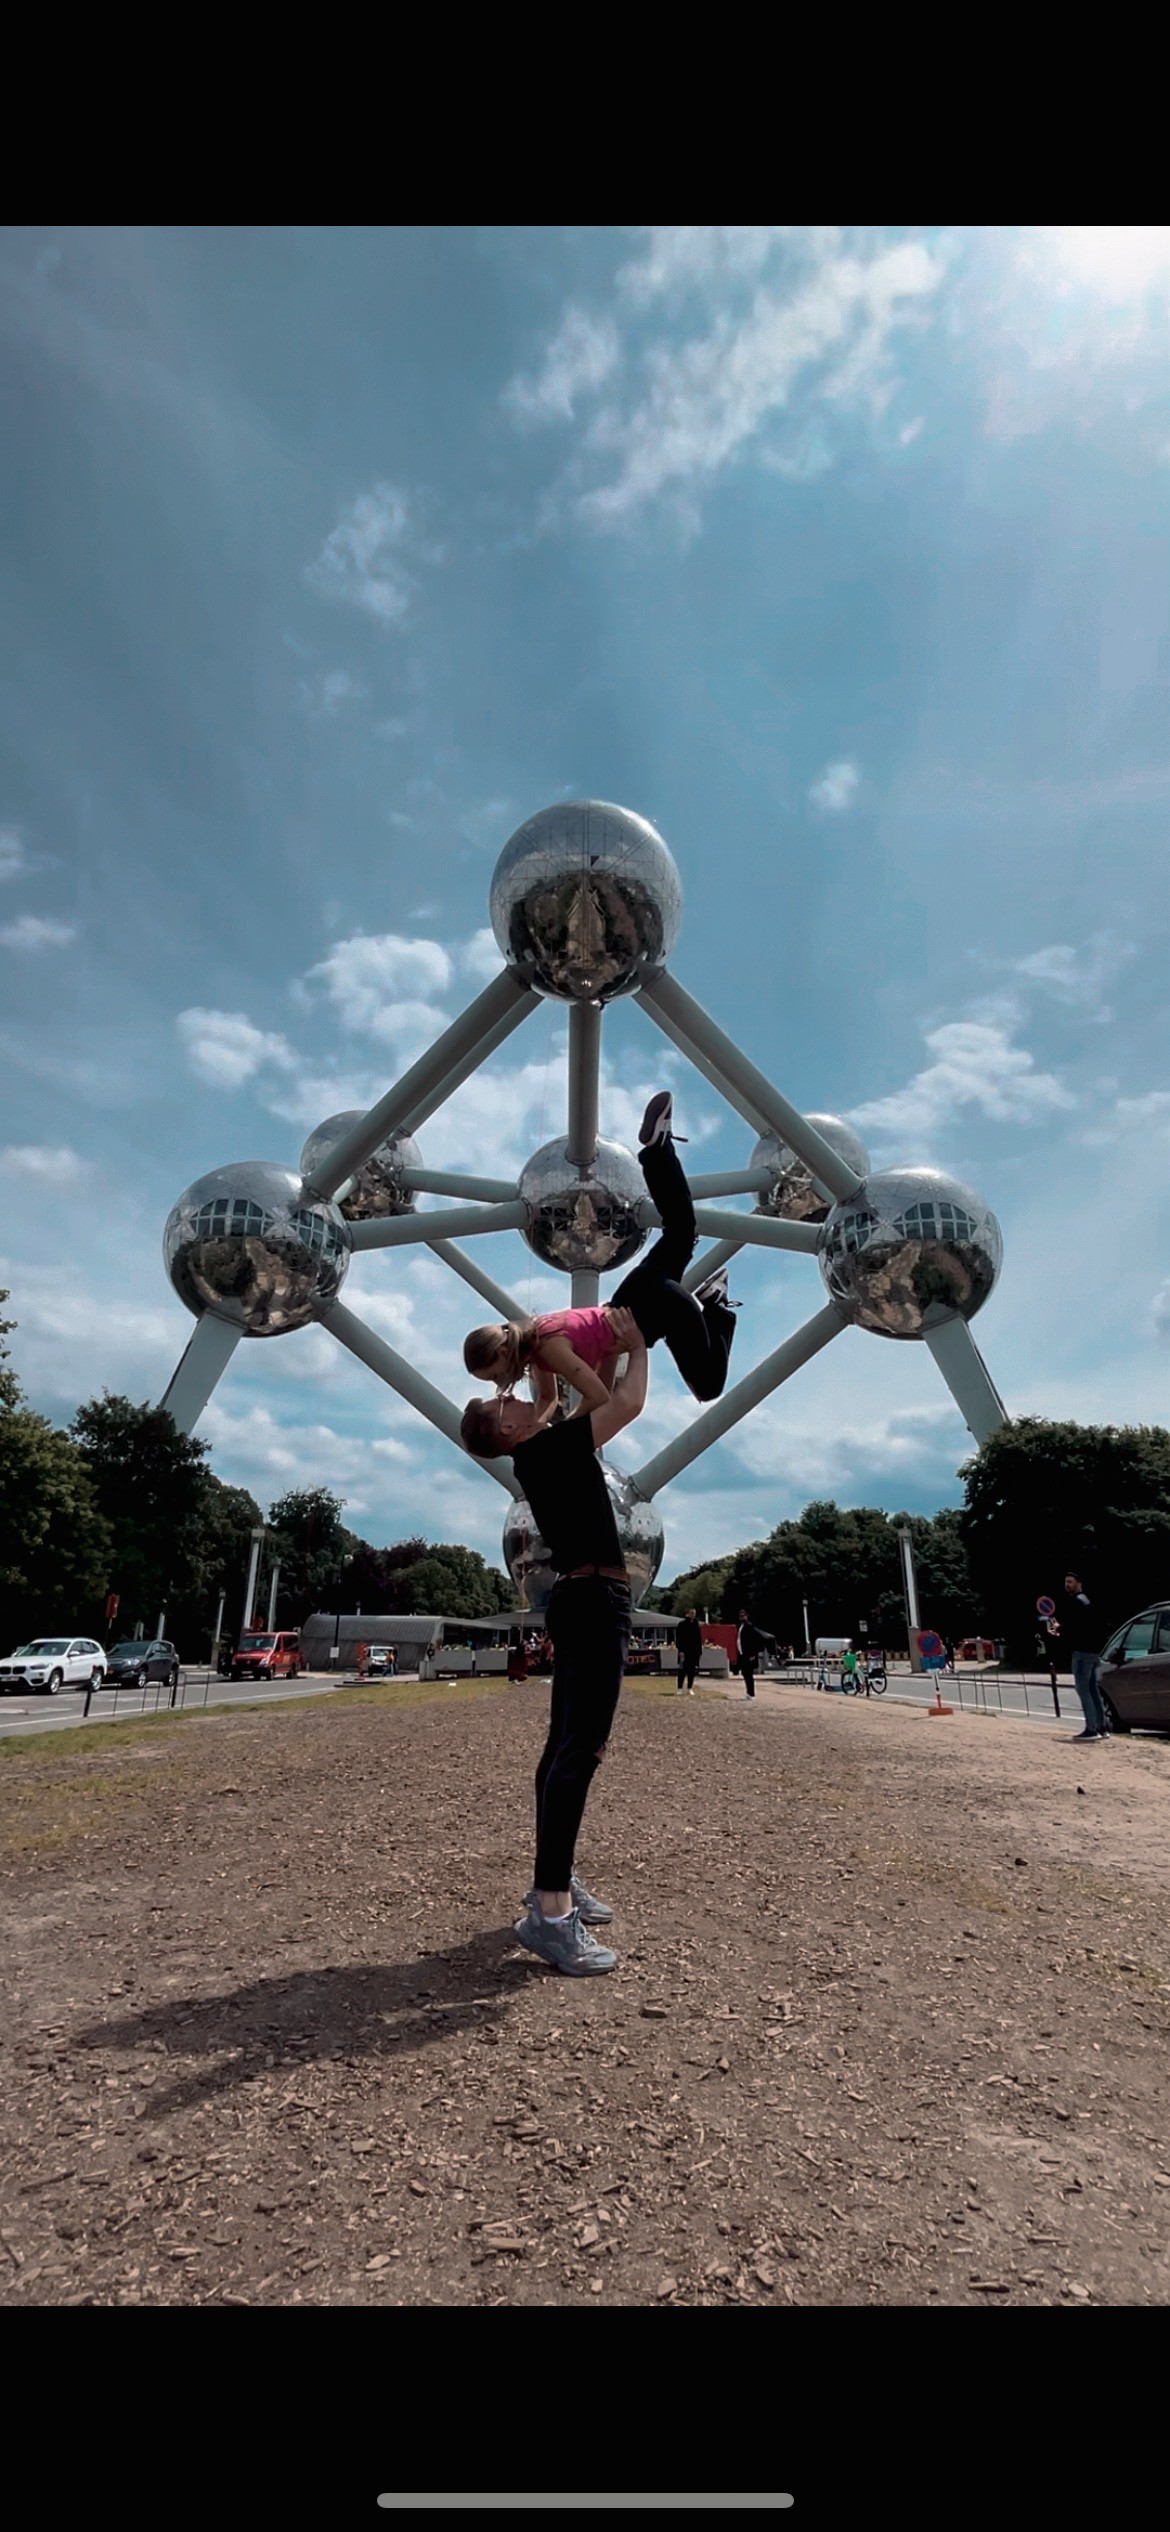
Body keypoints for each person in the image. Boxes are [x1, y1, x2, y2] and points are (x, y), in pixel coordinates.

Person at [460, 1288, 650, 1978]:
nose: (509, 1396)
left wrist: (550, 1364)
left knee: (559, 1751)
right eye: (498, 1405)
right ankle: (550, 1916)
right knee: (581, 1752)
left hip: (578, 1597)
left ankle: (556, 1882)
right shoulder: (556, 1448)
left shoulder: (540, 1452)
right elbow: (625, 1405)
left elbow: (554, 1395)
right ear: (505, 1432)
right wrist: (636, 1344)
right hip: (596, 1599)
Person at [462, 1092, 738, 1420]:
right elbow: (548, 1400)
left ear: (504, 1352)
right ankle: (658, 1147)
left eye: (494, 1374)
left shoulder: (549, 1350)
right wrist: (534, 1429)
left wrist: (566, 1438)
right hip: (633, 1294)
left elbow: (596, 1395)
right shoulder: (538, 1334)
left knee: (707, 1388)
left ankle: (716, 1305)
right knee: (680, 1229)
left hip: (653, 1311)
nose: (499, 1384)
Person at [1062, 1573, 1108, 1742]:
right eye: (1066, 1582)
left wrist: (1060, 1629)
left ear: (1079, 1583)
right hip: (1093, 1651)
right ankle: (1102, 1727)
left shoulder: (1077, 1602)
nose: (1067, 1585)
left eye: (1070, 1582)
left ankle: (1091, 1728)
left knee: (1083, 1689)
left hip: (1082, 1652)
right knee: (1093, 1689)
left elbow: (1075, 1628)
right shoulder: (1087, 1601)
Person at [737, 1610, 769, 1701]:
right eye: (740, 1616)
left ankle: (751, 1693)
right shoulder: (741, 1626)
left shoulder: (749, 1626)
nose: (742, 1617)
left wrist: (753, 1654)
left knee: (748, 1674)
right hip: (742, 1653)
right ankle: (748, 1692)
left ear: (746, 1616)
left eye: (743, 1616)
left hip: (748, 1654)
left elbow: (754, 1641)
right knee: (745, 1673)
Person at [676, 1606, 703, 1696]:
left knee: (692, 1671)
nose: (693, 1615)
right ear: (687, 1614)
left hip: (694, 1652)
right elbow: (679, 1638)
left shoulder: (697, 1625)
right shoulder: (682, 1624)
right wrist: (680, 1650)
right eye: (691, 1613)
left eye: (694, 1613)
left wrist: (699, 1652)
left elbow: (699, 1639)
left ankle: (689, 1688)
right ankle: (679, 1688)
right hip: (684, 1651)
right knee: (682, 1670)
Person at [1038, 1622, 1062, 1720]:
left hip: (1052, 1655)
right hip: (1052, 1655)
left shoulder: (1053, 1635)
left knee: (1052, 1665)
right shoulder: (1051, 1635)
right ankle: (1054, 1676)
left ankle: (1054, 1676)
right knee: (1052, 1665)